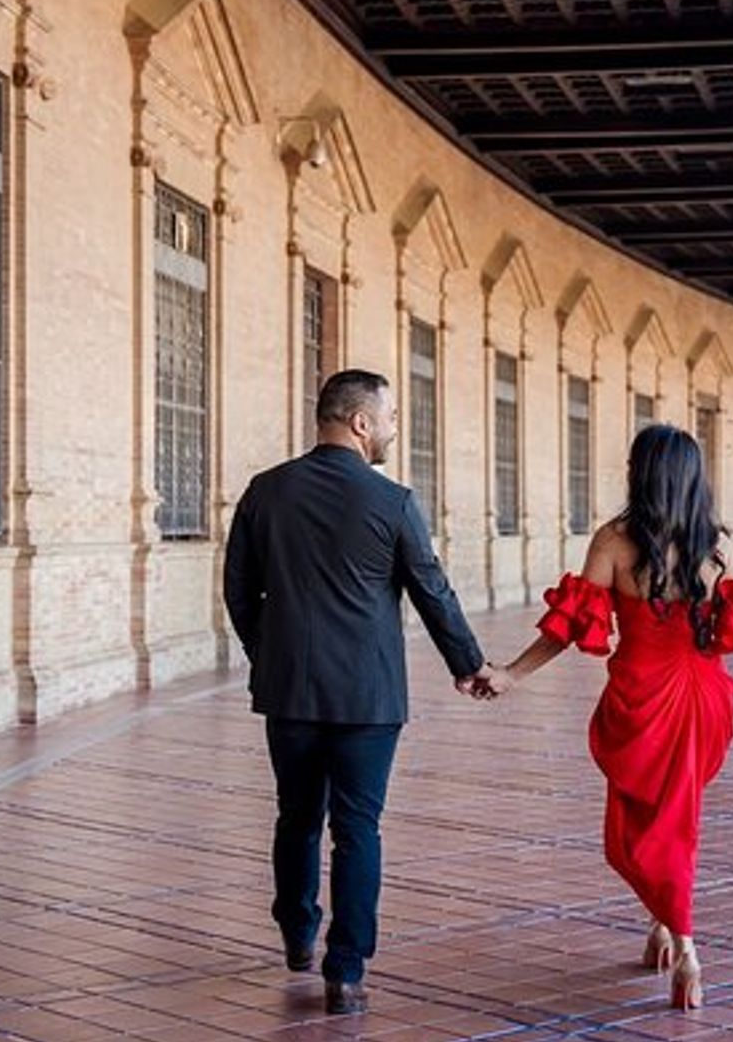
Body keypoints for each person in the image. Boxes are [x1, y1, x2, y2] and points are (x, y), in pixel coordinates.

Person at [475, 424, 733, 1010]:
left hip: (643, 700)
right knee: (679, 823)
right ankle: (664, 925)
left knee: (632, 836)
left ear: (639, 472)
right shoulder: (719, 544)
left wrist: (511, 674)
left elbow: (570, 626)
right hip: (704, 700)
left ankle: (687, 946)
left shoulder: (615, 541)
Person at [223, 369, 492, 1016]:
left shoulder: (266, 492)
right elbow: (432, 588)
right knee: (358, 828)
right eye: (391, 416)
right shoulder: (393, 502)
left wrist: (272, 654)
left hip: (289, 693)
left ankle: (296, 928)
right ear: (361, 422)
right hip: (369, 700)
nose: (396, 428)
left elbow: (239, 590)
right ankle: (345, 971)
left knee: (296, 815)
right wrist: (469, 663)